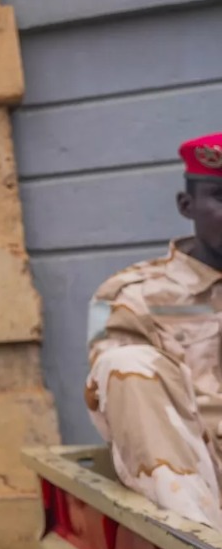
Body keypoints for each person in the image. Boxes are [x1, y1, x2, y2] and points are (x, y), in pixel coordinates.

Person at [86, 132, 222, 528]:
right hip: (199, 485)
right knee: (123, 364)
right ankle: (202, 547)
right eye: (221, 197)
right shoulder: (125, 295)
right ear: (186, 205)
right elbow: (118, 404)